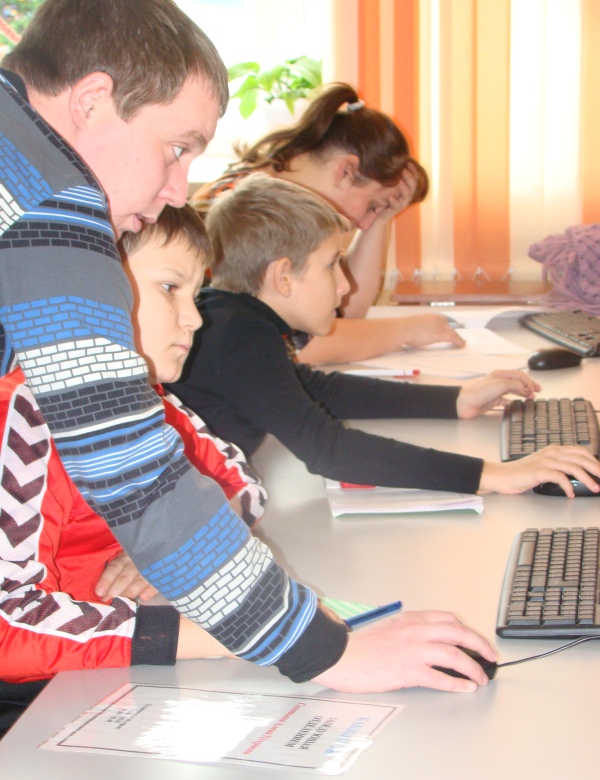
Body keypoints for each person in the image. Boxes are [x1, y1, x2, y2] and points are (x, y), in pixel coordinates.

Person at [0, 0, 497, 707]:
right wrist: (321, 648)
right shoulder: (50, 203)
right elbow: (129, 467)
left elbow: (183, 472)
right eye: (177, 148)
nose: (180, 188)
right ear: (91, 101)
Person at [0, 204, 268, 736]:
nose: (195, 318)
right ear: (89, 291)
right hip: (35, 697)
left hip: (108, 668)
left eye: (195, 295)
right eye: (170, 288)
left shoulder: (148, 400)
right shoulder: (27, 416)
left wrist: (172, 545)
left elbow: (243, 486)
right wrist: (205, 634)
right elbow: (8, 629)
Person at [169, 174, 600, 500]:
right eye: (332, 265)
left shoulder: (234, 321)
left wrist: (456, 399)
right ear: (283, 276)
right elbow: (329, 450)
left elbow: (313, 389)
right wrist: (496, 474)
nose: (345, 286)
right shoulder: (239, 335)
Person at [191, 81, 465, 366]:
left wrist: (381, 220)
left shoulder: (277, 201)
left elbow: (340, 311)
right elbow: (299, 347)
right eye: (372, 205)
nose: (363, 222)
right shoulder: (248, 209)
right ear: (345, 171)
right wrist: (407, 330)